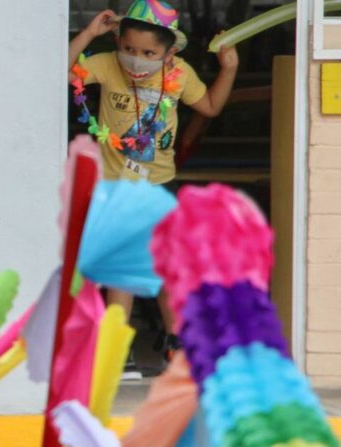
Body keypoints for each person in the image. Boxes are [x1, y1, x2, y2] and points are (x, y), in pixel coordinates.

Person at [68, 0, 238, 379]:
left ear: (169, 52)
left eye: (149, 53)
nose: (136, 60)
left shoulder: (180, 73)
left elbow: (209, 106)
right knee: (123, 271)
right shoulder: (106, 65)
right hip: (116, 189)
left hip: (160, 187)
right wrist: (89, 34)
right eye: (129, 50)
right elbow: (62, 70)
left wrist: (229, 69)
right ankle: (116, 349)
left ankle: (176, 347)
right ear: (118, 43)